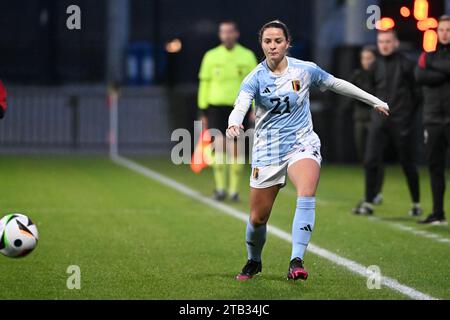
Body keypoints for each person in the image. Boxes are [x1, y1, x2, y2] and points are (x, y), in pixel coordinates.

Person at [226, 20, 389, 281]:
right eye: (267, 41)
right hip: (268, 150)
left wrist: (374, 101)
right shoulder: (254, 78)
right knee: (257, 219)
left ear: (287, 43)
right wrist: (234, 122)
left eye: (278, 40)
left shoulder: (305, 70)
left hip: (302, 143)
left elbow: (337, 83)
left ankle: (296, 261)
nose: (273, 46)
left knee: (307, 191)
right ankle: (254, 261)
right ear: (262, 44)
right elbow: (241, 104)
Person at [352, 29, 422, 217]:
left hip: (401, 121)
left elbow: (417, 94)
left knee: (408, 163)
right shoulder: (374, 65)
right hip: (379, 121)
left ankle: (416, 203)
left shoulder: (407, 64)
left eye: (388, 41)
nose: (384, 45)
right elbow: (370, 91)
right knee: (370, 161)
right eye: (381, 41)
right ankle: (368, 201)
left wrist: (407, 116)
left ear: (396, 43)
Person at [197, 20, 258, 202]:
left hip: (239, 107)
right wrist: (202, 110)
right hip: (215, 106)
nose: (227, 35)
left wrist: (255, 107)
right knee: (219, 146)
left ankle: (234, 191)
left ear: (236, 34)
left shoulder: (247, 56)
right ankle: (220, 188)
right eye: (223, 32)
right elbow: (204, 84)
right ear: (220, 34)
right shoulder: (211, 56)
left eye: (230, 31)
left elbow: (255, 84)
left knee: (236, 148)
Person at [415, 15, 450, 225]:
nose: (445, 33)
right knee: (435, 167)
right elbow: (419, 77)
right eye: (442, 29)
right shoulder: (427, 56)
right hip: (433, 119)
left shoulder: (430, 61)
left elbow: (429, 74)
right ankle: (438, 212)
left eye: (448, 29)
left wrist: (435, 71)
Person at [348, 45, 384, 205]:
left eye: (370, 58)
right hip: (359, 118)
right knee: (364, 157)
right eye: (364, 58)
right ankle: (371, 191)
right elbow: (350, 97)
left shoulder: (379, 76)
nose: (366, 62)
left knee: (375, 157)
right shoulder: (357, 75)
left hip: (374, 119)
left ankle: (375, 193)